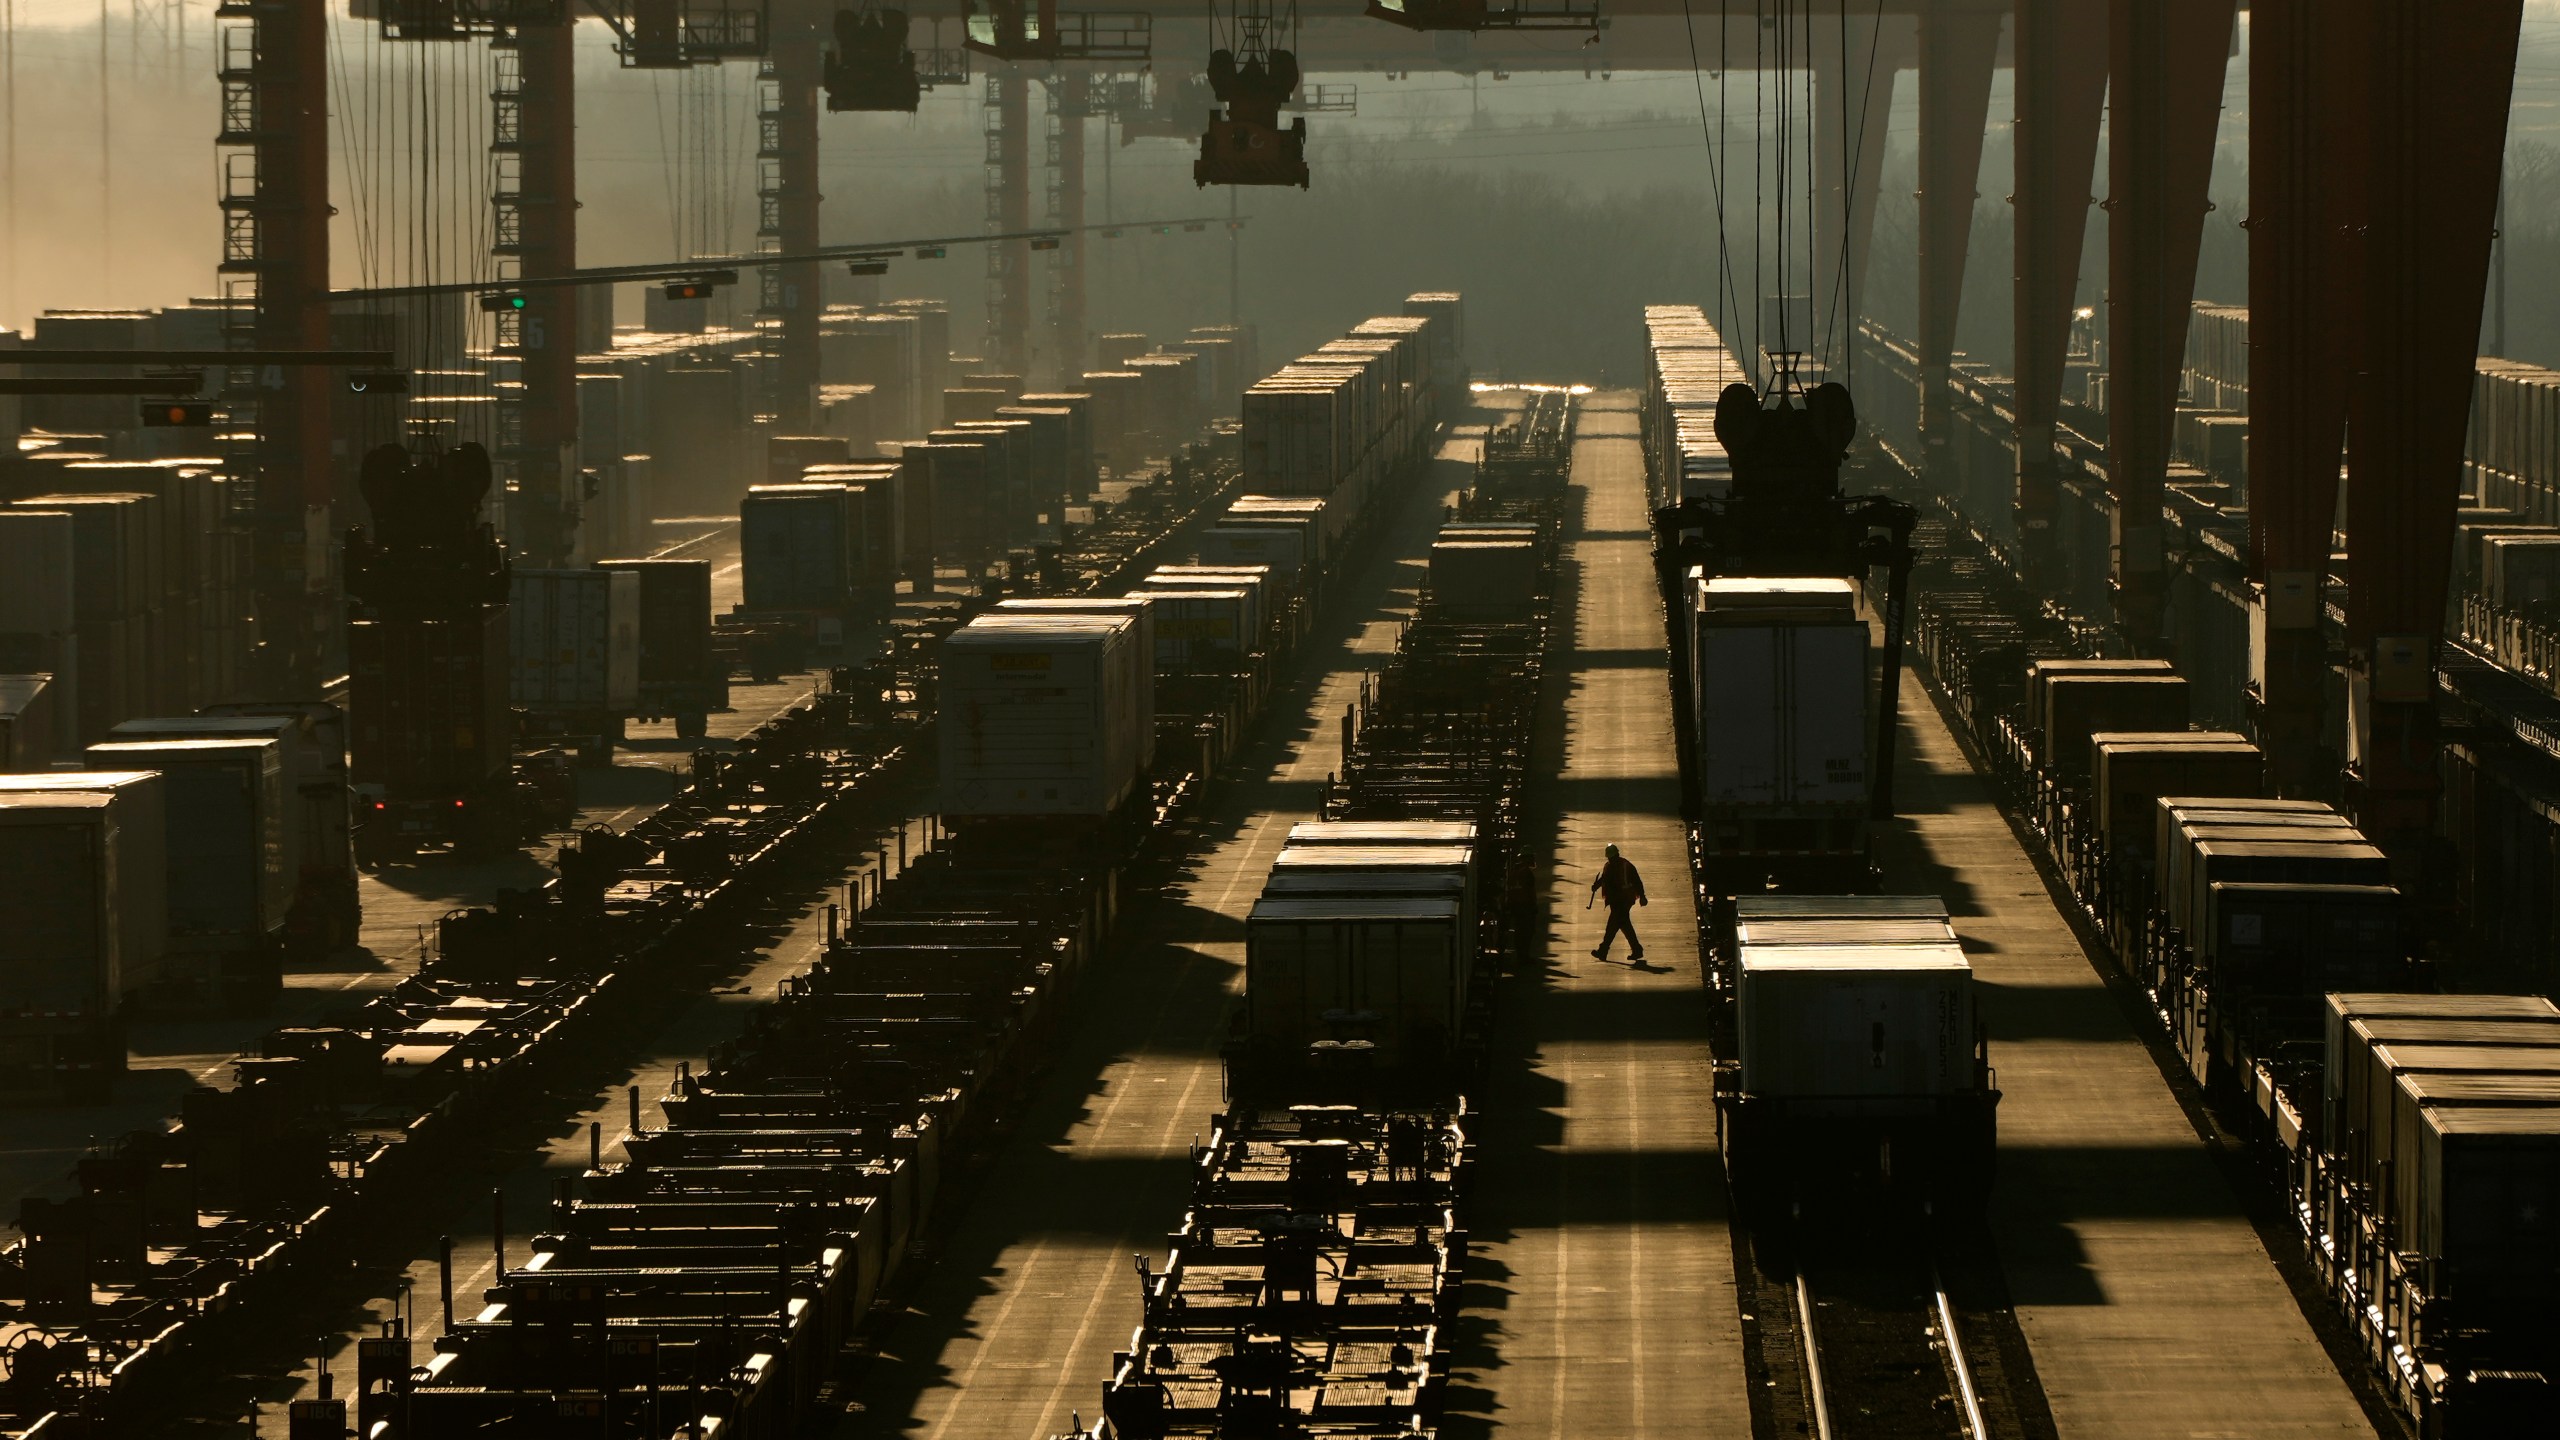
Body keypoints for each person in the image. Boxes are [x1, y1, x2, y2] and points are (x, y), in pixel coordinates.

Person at [1588, 842, 1647, 962]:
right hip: (1615, 900)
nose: (1611, 859)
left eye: (1612, 857)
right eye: (1609, 858)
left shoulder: (1626, 866)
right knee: (1623, 925)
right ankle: (1636, 950)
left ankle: (1603, 951)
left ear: (1616, 855)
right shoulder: (1609, 866)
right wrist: (1596, 885)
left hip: (1624, 900)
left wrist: (1642, 896)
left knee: (1613, 926)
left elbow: (1637, 881)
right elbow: (1604, 878)